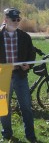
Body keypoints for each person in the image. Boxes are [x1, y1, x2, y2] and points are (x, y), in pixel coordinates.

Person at [0, 8, 37, 142]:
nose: (16, 22)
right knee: (3, 106)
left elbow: (31, 54)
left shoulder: (24, 36)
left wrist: (29, 65)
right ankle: (7, 134)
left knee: (26, 106)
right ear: (5, 20)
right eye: (13, 19)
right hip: (3, 77)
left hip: (19, 75)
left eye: (18, 20)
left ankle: (30, 136)